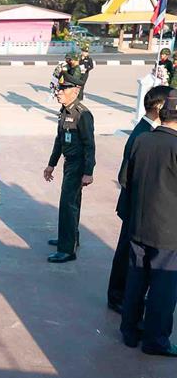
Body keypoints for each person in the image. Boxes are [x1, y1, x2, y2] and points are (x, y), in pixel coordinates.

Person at [120, 89, 177, 357]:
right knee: (163, 288)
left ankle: (129, 331)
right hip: (168, 231)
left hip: (139, 224)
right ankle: (155, 340)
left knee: (136, 280)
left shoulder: (142, 139)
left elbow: (125, 179)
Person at [107, 85, 171, 313]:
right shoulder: (143, 134)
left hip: (138, 205)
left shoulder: (146, 131)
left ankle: (122, 295)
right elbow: (124, 176)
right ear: (160, 106)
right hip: (136, 205)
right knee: (126, 254)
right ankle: (117, 296)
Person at [43, 80, 95, 263]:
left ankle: (66, 250)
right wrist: (51, 164)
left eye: (63, 89)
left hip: (78, 164)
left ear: (76, 90)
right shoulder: (65, 112)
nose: (59, 92)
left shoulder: (83, 114)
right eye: (59, 89)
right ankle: (71, 237)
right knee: (72, 203)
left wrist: (88, 172)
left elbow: (90, 145)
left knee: (67, 205)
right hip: (69, 162)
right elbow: (60, 140)